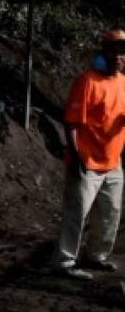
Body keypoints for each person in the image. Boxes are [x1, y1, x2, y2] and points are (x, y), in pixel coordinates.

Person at [52, 29, 125, 280]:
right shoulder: (87, 81)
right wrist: (77, 157)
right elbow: (71, 123)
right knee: (77, 213)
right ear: (104, 51)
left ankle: (97, 256)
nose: (119, 56)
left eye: (123, 51)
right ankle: (64, 261)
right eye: (114, 50)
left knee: (111, 212)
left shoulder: (123, 82)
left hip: (114, 161)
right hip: (87, 161)